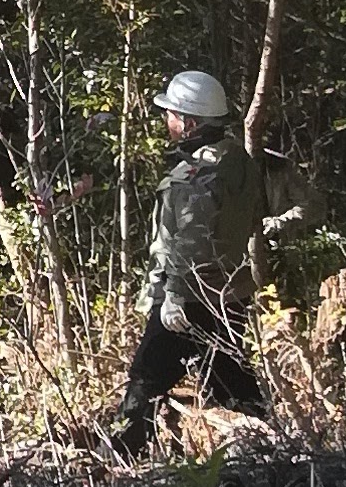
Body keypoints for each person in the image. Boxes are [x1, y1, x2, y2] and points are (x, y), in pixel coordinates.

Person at [109, 69, 268, 457]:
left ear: (190, 122)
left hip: (191, 296)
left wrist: (175, 297)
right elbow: (254, 215)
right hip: (229, 292)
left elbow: (191, 240)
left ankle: (121, 457)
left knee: (146, 377)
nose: (168, 120)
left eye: (172, 113)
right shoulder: (238, 161)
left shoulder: (200, 173)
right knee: (228, 377)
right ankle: (267, 447)